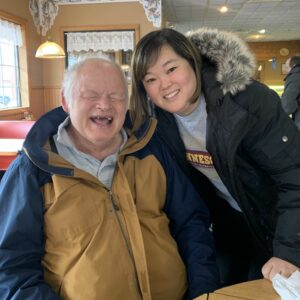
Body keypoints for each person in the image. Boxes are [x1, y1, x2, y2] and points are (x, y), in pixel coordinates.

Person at [0, 57, 220, 300]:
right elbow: (12, 269)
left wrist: (203, 293)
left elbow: (192, 224)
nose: (104, 105)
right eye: (90, 95)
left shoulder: (151, 150)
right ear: (65, 100)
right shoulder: (33, 170)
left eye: (115, 96)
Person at [130, 28, 300, 287]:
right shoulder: (156, 123)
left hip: (280, 221)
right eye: (150, 79)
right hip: (229, 224)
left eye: (171, 69)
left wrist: (288, 251)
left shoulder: (246, 102)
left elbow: (294, 175)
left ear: (193, 61)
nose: (164, 84)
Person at [281, 55, 300, 129]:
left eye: (287, 67)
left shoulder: (295, 76)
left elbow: (287, 105)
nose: (286, 70)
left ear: (294, 66)